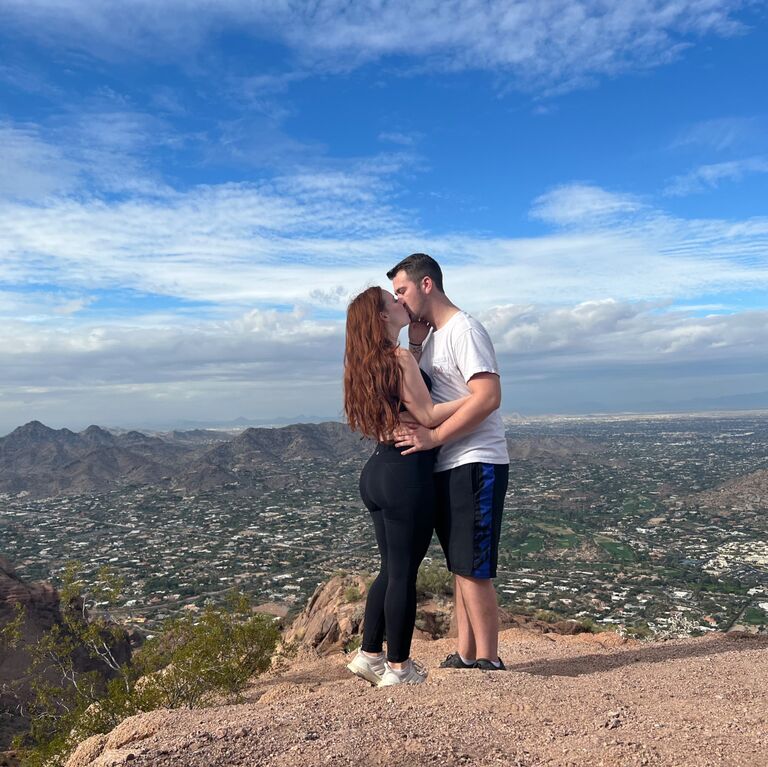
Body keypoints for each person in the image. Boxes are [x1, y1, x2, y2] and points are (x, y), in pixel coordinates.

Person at [388, 253, 510, 671]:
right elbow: (424, 397)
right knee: (460, 562)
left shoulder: (465, 329)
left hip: (476, 458)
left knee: (474, 566)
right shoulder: (436, 336)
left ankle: (489, 660)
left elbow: (489, 397)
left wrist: (436, 436)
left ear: (426, 285)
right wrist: (417, 344)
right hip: (450, 462)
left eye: (401, 290)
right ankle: (466, 653)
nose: (398, 300)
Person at [343, 286, 469, 686]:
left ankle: (369, 654)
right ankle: (399, 668)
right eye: (392, 301)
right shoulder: (397, 359)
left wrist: (415, 347)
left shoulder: (367, 364)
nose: (402, 304)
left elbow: (405, 396)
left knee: (390, 569)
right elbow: (429, 414)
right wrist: (477, 397)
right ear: (382, 317)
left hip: (378, 472)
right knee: (403, 575)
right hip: (406, 476)